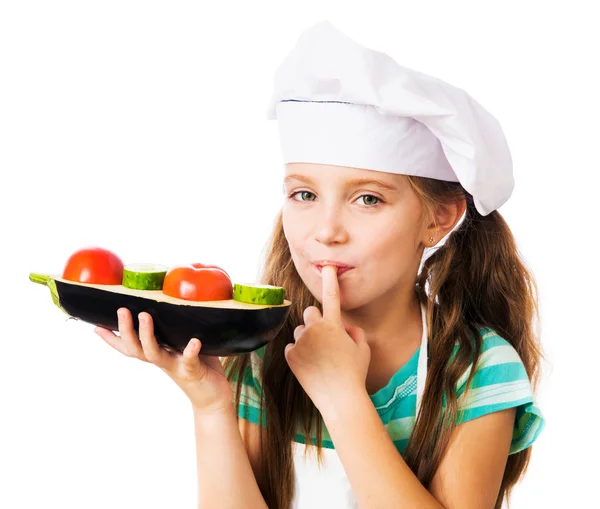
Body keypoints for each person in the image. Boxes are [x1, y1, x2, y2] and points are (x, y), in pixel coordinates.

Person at [95, 20, 545, 509]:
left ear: (438, 219)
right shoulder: (264, 355)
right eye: (304, 194)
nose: (326, 230)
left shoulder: (475, 367)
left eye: (368, 199)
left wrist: (342, 394)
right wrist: (210, 406)